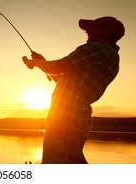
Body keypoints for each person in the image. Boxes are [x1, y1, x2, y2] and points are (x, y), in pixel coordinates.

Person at [22, 16, 125, 164]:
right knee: (71, 161)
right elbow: (65, 81)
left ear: (107, 31)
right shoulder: (111, 57)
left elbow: (61, 65)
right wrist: (43, 63)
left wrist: (35, 63)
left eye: (92, 27)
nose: (87, 31)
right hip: (76, 120)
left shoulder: (98, 48)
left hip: (65, 118)